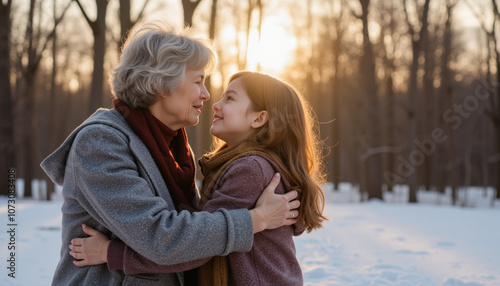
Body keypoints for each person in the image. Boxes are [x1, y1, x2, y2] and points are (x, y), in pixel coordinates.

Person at [40, 23, 300, 286]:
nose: (207, 94)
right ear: (162, 83)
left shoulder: (175, 149)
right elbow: (161, 238)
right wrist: (256, 219)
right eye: (198, 81)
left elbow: (194, 238)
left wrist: (112, 252)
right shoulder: (100, 143)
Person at [68, 71, 328, 285]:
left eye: (230, 99)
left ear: (259, 118)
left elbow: (199, 247)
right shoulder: (249, 165)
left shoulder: (251, 169)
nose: (215, 103)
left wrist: (110, 252)